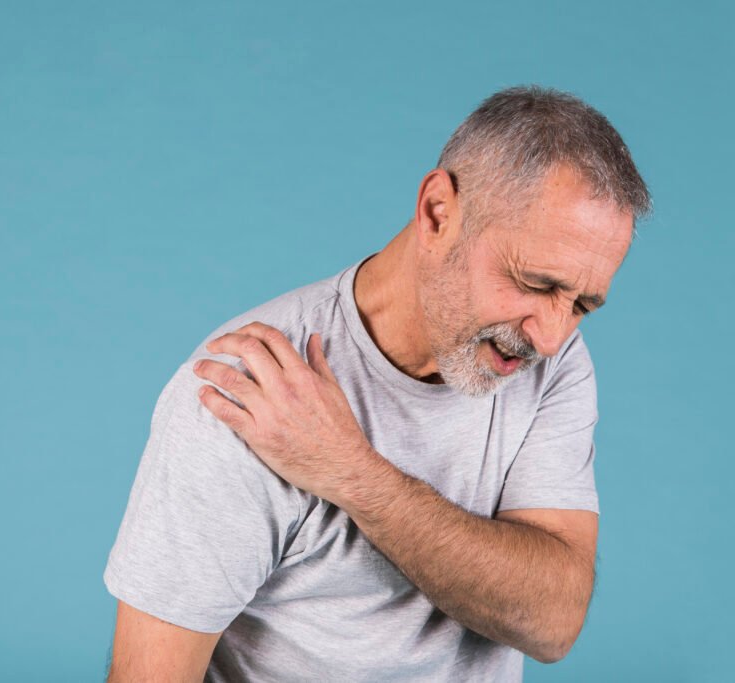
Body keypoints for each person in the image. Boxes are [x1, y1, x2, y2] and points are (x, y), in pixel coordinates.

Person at [103, 85, 651, 681]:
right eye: (538, 283)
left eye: (582, 305)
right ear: (439, 213)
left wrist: (353, 473)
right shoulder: (245, 394)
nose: (550, 335)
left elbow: (552, 620)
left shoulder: (553, 362)